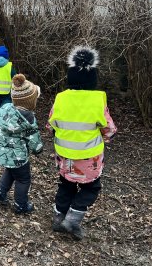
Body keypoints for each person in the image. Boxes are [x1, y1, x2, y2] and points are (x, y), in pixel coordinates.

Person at [48, 46, 117, 240]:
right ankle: (72, 219)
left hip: (64, 157)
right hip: (89, 158)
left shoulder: (60, 99)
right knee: (90, 188)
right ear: (92, 80)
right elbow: (109, 128)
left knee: (66, 185)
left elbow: (51, 124)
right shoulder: (97, 101)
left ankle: (58, 217)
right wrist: (107, 137)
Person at [0, 74, 43, 214]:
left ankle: (0, 191)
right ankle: (20, 205)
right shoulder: (29, 118)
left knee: (11, 170)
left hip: (1, 151)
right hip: (18, 157)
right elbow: (35, 142)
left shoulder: (5, 107)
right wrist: (38, 149)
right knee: (23, 179)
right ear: (31, 101)